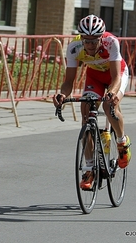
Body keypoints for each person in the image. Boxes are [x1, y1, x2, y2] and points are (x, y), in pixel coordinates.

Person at [53, 14, 131, 190]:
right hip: (94, 77)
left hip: (115, 75)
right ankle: (89, 169)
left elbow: (116, 76)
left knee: (109, 104)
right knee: (86, 111)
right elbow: (69, 81)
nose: (89, 45)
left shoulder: (111, 42)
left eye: (94, 41)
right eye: (86, 41)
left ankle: (121, 141)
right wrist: (62, 95)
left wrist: (111, 92)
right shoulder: (74, 47)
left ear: (101, 38)